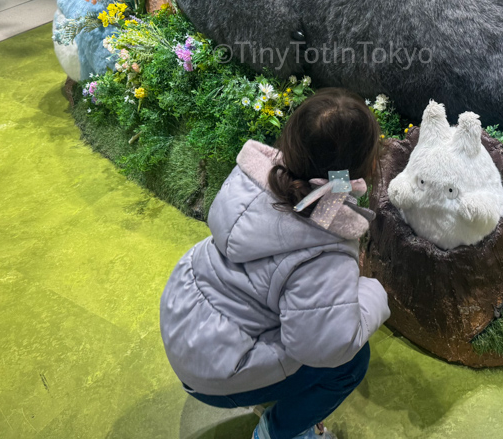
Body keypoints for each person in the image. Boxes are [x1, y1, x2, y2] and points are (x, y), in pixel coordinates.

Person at [159, 87, 391, 439]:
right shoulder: (325, 249)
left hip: (183, 322)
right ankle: (279, 431)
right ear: (368, 163)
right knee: (350, 364)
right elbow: (329, 345)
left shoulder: (249, 181)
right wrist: (372, 293)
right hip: (213, 372)